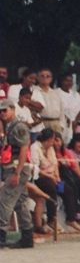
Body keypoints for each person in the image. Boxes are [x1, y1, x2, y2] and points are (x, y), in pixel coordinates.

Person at [0, 98, 36, 248]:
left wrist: (17, 172)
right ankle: (27, 236)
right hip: (14, 167)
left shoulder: (19, 127)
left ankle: (1, 235)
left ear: (13, 109)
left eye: (4, 110)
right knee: (20, 202)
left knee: (5, 201)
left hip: (16, 168)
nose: (2, 113)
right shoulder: (10, 127)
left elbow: (23, 149)